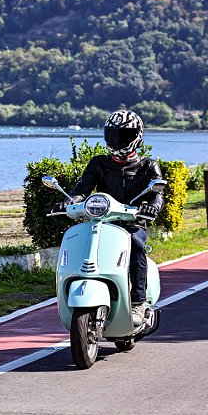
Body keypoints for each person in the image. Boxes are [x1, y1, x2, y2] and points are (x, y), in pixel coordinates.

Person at [68, 110, 163, 327]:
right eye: (113, 134)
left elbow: (158, 194)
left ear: (137, 135)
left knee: (136, 244)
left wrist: (153, 207)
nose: (118, 140)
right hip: (103, 222)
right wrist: (68, 201)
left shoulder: (148, 165)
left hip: (133, 223)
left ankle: (138, 301)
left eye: (124, 135)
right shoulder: (98, 163)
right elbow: (81, 189)